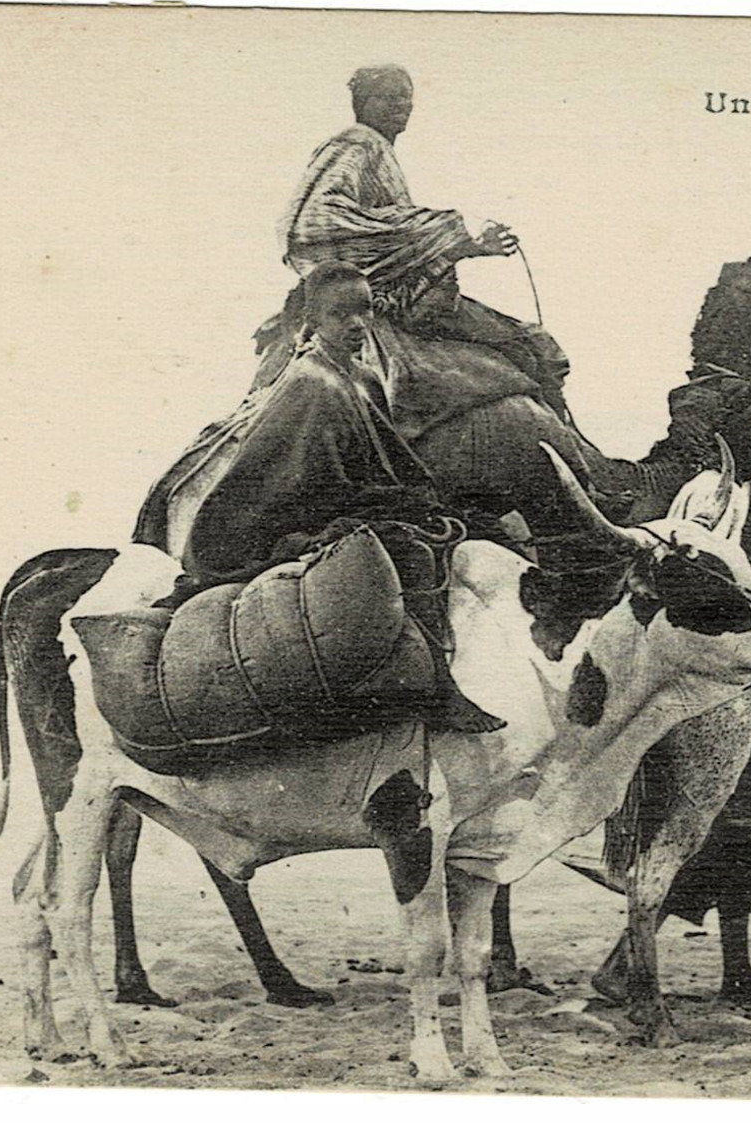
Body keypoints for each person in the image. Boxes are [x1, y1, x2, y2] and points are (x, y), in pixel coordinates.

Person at [170, 262, 506, 735]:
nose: (356, 325)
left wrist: (415, 498)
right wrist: (384, 505)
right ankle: (436, 690)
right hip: (268, 526)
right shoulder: (309, 382)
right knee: (408, 551)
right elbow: (300, 487)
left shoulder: (365, 377)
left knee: (465, 526)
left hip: (341, 503)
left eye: (364, 311)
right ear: (314, 320)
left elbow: (388, 459)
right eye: (339, 314)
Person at [255, 64, 569, 417]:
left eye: (405, 96)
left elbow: (401, 247)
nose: (400, 104)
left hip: (401, 294)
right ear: (362, 102)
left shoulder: (377, 150)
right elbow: (308, 224)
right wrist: (446, 230)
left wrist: (465, 246)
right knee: (533, 345)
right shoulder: (357, 143)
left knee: (532, 345)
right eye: (387, 96)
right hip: (381, 299)